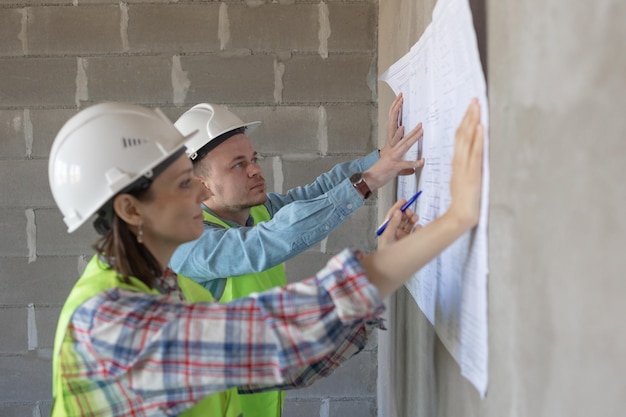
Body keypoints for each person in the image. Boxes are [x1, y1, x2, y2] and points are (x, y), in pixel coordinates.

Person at [49, 99, 484, 416]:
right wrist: (454, 220)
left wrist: (388, 256)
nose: (203, 193)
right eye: (185, 184)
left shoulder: (161, 287)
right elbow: (273, 338)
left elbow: (273, 365)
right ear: (130, 210)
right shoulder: (112, 322)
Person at [169, 95, 423, 417]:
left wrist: (379, 159)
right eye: (238, 165)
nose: (255, 170)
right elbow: (262, 244)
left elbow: (313, 194)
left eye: (253, 158)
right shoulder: (188, 242)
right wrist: (367, 182)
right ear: (200, 184)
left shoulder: (255, 211)